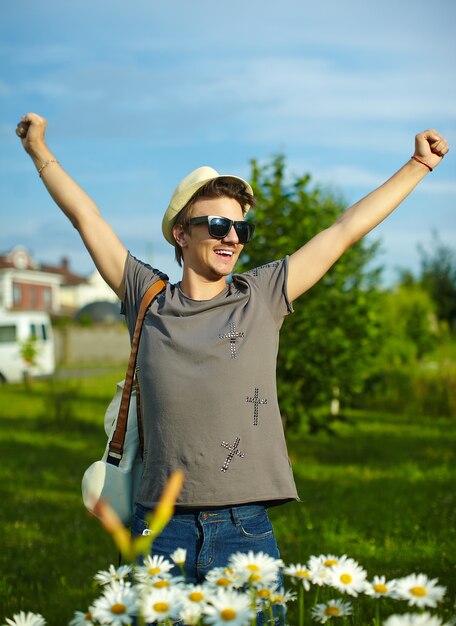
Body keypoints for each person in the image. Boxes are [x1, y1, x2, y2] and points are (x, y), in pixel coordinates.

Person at [17, 112, 448, 621]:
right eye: (218, 224)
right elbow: (86, 218)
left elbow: (343, 230)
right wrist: (39, 151)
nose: (233, 237)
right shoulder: (146, 295)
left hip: (245, 529)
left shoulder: (261, 295)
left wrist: (419, 163)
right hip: (159, 528)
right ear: (181, 232)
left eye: (241, 227)